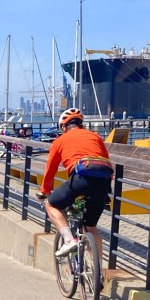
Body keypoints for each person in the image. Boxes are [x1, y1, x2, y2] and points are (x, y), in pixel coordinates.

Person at [38, 107, 114, 262]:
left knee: (51, 204)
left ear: (63, 127)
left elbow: (50, 170)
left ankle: (68, 240)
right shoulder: (95, 136)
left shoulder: (60, 141)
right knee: (91, 228)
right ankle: (98, 270)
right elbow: (106, 161)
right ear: (81, 125)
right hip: (102, 183)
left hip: (80, 179)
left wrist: (45, 191)